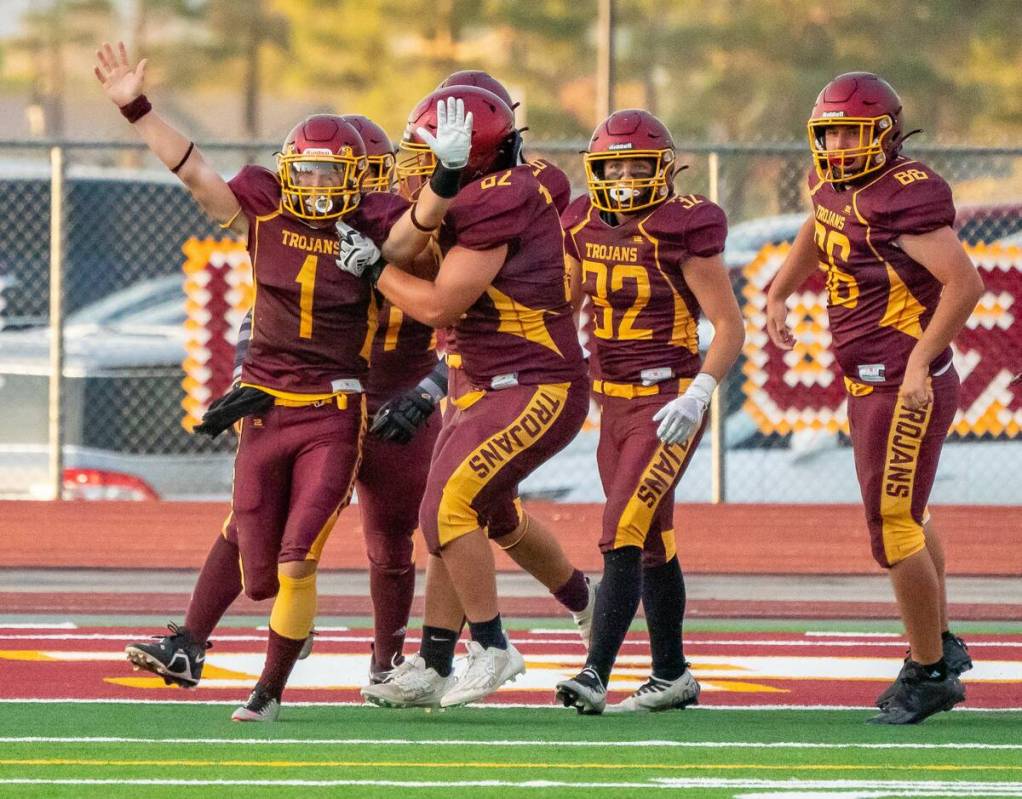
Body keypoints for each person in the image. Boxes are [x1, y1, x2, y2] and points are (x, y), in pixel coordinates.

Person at [97, 41, 473, 721]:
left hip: (378, 399)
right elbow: (251, 281)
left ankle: (382, 662)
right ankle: (202, 638)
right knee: (252, 541)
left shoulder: (398, 229)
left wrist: (429, 390)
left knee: (387, 542)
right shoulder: (271, 213)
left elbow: (465, 320)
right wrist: (136, 108)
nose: (325, 187)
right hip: (295, 397)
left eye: (344, 174)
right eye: (314, 172)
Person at [349, 85, 590, 708]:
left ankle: (491, 645)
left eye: (429, 154)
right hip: (482, 381)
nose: (413, 167)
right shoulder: (475, 192)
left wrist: (375, 271)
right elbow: (412, 243)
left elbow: (438, 303)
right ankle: (433, 660)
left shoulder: (499, 199)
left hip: (532, 382)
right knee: (448, 512)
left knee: (452, 508)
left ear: (474, 155)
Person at [765, 72, 981, 725]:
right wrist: (780, 288)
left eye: (852, 132)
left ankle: (931, 670)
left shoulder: (901, 198)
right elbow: (820, 224)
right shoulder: (832, 183)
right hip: (869, 382)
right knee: (907, 515)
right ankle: (938, 642)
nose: (838, 143)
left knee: (891, 529)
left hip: (904, 383)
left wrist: (918, 361)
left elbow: (964, 285)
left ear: (886, 133)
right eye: (829, 131)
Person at [553, 110, 744, 714]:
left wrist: (700, 393)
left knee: (622, 532)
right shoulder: (581, 220)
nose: (628, 177)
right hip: (613, 403)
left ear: (664, 169)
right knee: (654, 540)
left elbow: (729, 327)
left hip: (669, 402)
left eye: (639, 165)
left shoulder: (682, 226)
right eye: (616, 166)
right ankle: (672, 674)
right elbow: (562, 301)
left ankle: (594, 673)